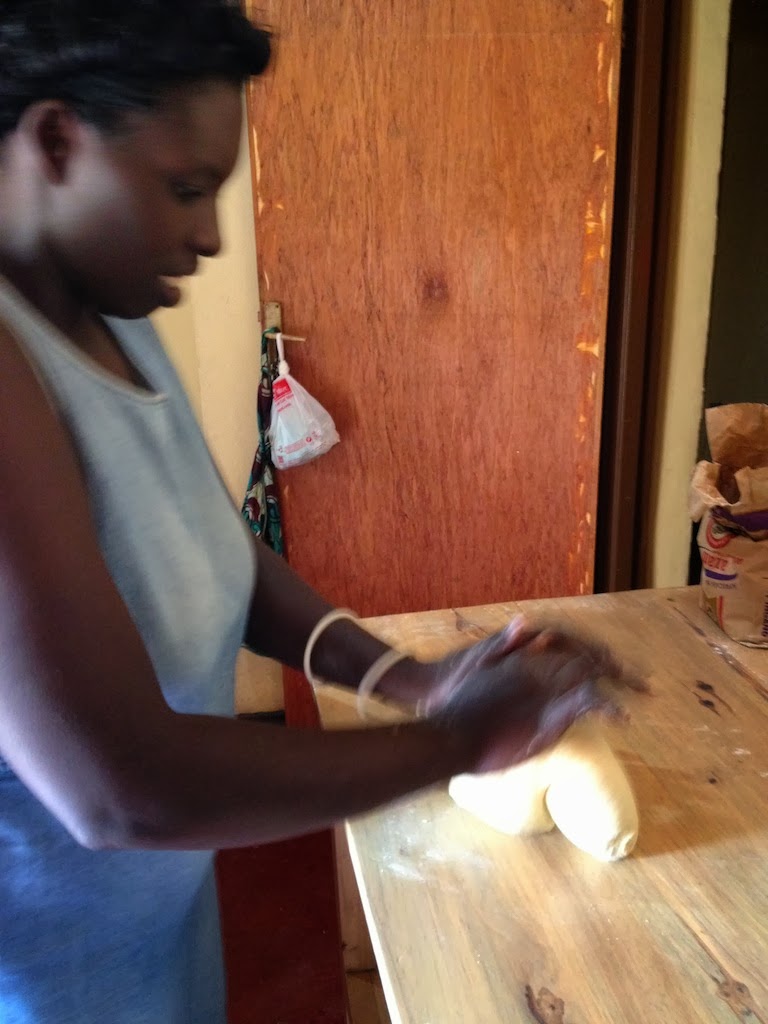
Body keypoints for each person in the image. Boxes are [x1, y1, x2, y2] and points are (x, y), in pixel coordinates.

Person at [0, 2, 642, 1021]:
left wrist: (413, 679)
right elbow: (119, 788)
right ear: (54, 142)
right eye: (184, 189)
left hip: (160, 919)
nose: (209, 235)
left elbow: (218, 553)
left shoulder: (107, 306)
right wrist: (460, 740)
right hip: (51, 974)